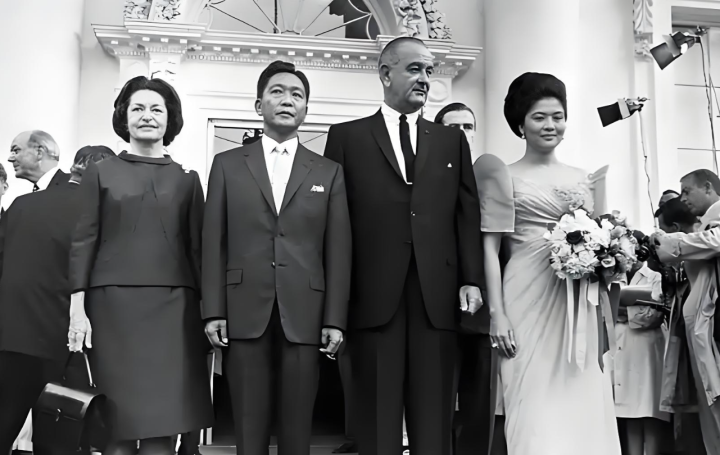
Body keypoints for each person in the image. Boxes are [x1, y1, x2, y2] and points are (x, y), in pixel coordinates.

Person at [323, 37, 484, 455]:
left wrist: (471, 279)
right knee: (376, 427)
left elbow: (466, 214)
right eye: (414, 69)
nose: (424, 78)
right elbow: (334, 222)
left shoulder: (451, 142)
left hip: (437, 298)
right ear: (385, 73)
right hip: (372, 299)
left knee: (434, 425)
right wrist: (335, 303)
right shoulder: (346, 137)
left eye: (429, 70)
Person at [202, 60, 351, 455]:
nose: (288, 100)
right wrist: (213, 310)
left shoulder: (329, 171)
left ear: (306, 109)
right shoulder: (227, 164)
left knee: (298, 427)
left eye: (297, 95)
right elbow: (214, 241)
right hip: (242, 310)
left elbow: (338, 250)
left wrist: (335, 318)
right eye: (278, 92)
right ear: (259, 105)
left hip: (305, 314)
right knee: (247, 426)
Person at [67, 76, 213, 455]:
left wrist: (210, 314)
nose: (147, 116)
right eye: (138, 108)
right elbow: (83, 240)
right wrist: (77, 310)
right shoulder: (101, 172)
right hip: (112, 309)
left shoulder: (188, 180)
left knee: (162, 426)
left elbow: (199, 252)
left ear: (170, 118)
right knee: (117, 426)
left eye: (156, 109)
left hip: (174, 311)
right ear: (124, 116)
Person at [476, 72, 621, 454]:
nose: (550, 125)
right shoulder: (502, 175)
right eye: (539, 117)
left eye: (558, 116)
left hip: (578, 301)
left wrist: (611, 256)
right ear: (520, 123)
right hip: (524, 296)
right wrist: (497, 314)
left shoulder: (586, 178)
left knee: (581, 396)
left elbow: (606, 237)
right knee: (530, 400)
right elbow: (489, 248)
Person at [0, 131, 92, 455]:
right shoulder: (28, 204)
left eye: (15, 149)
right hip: (40, 338)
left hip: (50, 342)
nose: (9, 157)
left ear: (40, 151)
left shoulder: (28, 205)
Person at [434, 102, 495, 455]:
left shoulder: (492, 178)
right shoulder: (421, 179)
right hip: (436, 309)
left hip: (483, 309)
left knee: (479, 404)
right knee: (435, 402)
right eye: (452, 127)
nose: (461, 134)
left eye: (467, 127)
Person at [652, 169, 720, 453]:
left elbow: (714, 241)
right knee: (710, 410)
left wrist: (671, 243)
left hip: (713, 323)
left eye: (686, 191)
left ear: (708, 187)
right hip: (700, 325)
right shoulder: (704, 226)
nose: (682, 198)